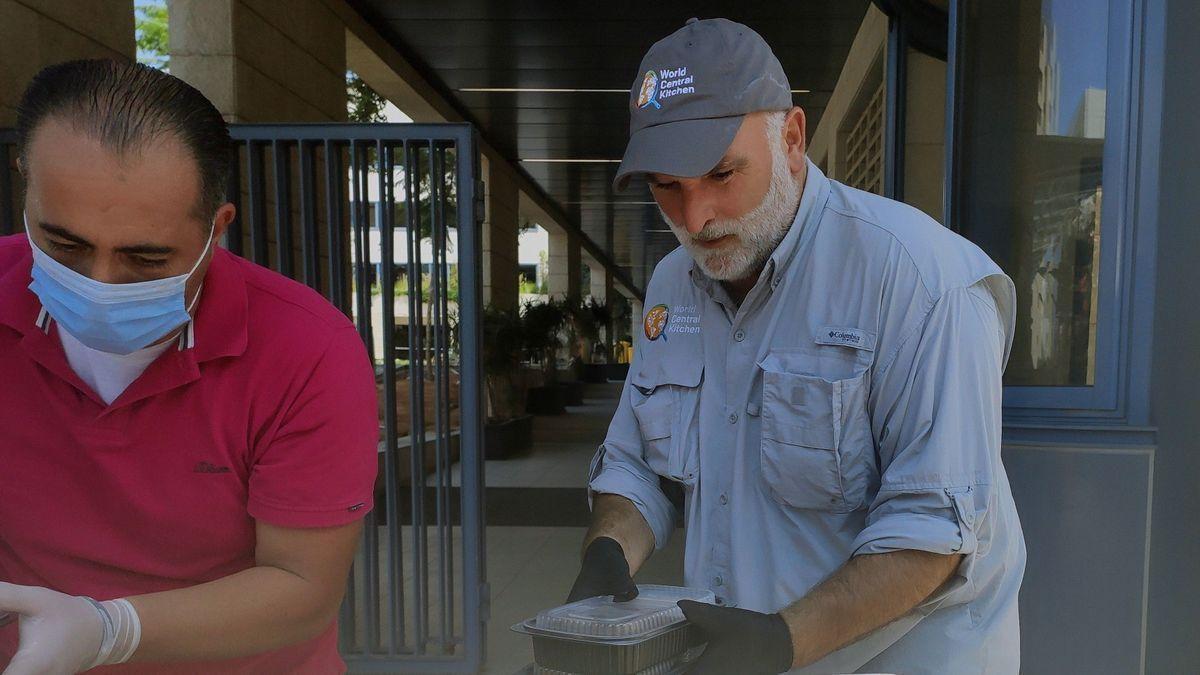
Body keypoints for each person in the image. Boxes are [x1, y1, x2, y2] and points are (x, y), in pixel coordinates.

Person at [569, 18, 1025, 674]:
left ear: (791, 139)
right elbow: (638, 465)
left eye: (722, 173)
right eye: (667, 185)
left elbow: (933, 534)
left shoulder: (921, 280)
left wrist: (779, 642)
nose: (694, 218)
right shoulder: (675, 284)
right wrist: (608, 549)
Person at [0, 60, 378, 673]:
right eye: (64, 245)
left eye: (145, 257)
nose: (99, 282)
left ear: (216, 229)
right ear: (27, 189)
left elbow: (302, 586)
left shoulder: (307, 350)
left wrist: (108, 630)